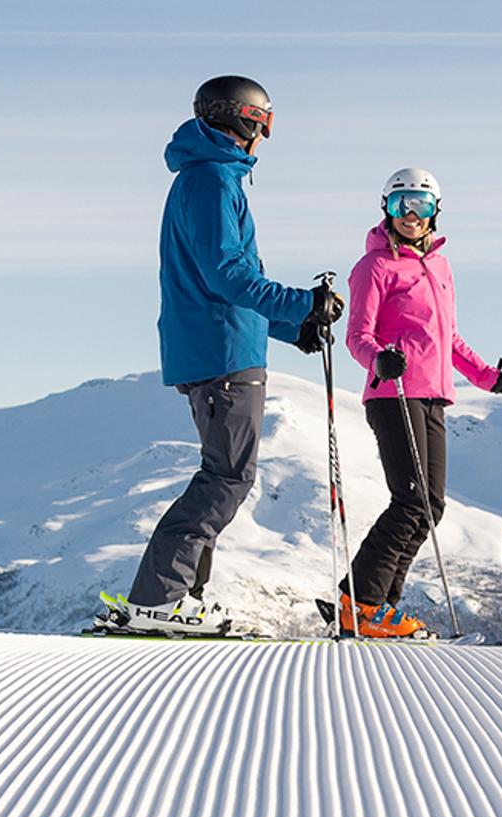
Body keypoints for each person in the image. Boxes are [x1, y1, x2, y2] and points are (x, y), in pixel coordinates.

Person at [100, 75, 343, 637]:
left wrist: (291, 325)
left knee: (222, 474)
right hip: (222, 351)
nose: (266, 135)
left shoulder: (209, 177)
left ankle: (177, 599)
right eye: (268, 122)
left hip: (219, 344)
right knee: (227, 477)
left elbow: (229, 281)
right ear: (248, 119)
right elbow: (228, 275)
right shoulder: (212, 180)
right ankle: (159, 598)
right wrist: (303, 302)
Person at [339, 167, 502, 639]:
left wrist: (492, 378)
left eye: (420, 205)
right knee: (409, 501)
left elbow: (449, 338)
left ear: (435, 211)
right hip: (393, 393)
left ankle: (379, 608)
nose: (410, 213)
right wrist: (380, 359)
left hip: (433, 396)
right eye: (400, 203)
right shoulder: (373, 268)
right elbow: (357, 336)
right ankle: (359, 605)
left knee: (429, 506)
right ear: (385, 208)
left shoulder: (440, 268)